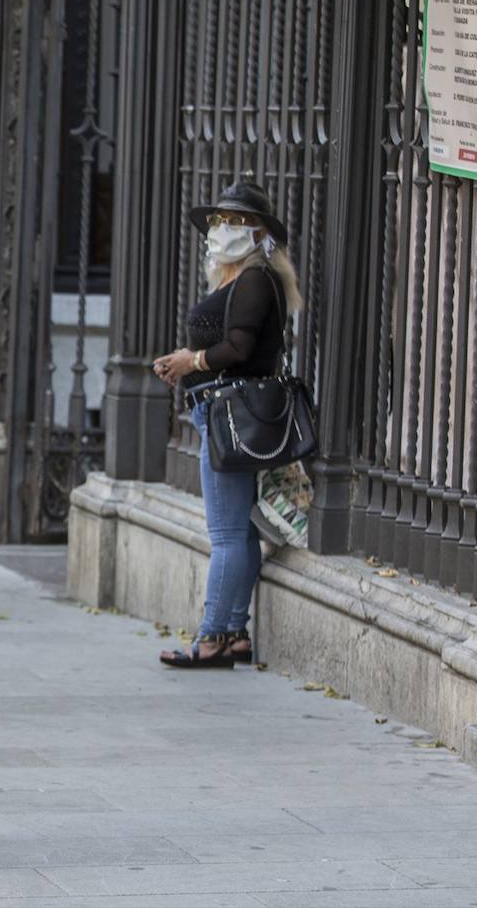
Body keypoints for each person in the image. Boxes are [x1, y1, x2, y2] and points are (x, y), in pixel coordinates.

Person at [152, 179, 303, 669]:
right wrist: (185, 363)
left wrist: (189, 360)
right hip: (224, 413)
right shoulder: (240, 278)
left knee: (227, 532)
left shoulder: (257, 279)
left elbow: (237, 348)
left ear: (261, 233)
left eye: (239, 221)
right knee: (238, 531)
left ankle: (214, 635)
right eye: (220, 220)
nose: (225, 229)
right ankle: (235, 632)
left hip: (229, 416)